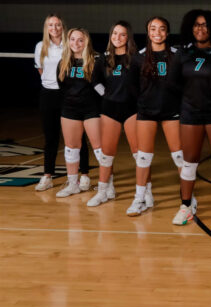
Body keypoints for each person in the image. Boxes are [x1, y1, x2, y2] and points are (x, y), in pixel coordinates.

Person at [169, 10, 211, 225]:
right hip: (191, 112)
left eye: (205, 25)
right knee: (189, 162)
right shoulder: (183, 53)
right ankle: (186, 205)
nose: (200, 29)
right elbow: (173, 84)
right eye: (196, 25)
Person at [126, 16, 182, 216]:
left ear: (167, 32)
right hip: (147, 112)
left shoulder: (177, 55)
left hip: (171, 111)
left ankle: (187, 200)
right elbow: (133, 88)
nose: (157, 32)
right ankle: (139, 198)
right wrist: (145, 102)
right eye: (153, 28)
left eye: (162, 29)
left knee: (180, 157)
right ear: (147, 32)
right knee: (143, 157)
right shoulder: (138, 58)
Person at [34, 15, 90, 192]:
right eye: (50, 25)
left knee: (77, 138)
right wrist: (50, 83)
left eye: (57, 24)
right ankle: (48, 175)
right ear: (46, 27)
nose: (54, 28)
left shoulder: (70, 44)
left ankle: (85, 175)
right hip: (48, 95)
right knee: (50, 138)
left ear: (63, 27)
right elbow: (41, 69)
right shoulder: (40, 46)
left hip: (68, 94)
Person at [87, 21, 138, 206]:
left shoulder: (136, 58)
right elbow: (95, 81)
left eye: (122, 34)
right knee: (106, 154)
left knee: (139, 153)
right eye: (114, 33)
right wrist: (106, 95)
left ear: (128, 37)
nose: (117, 37)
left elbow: (143, 82)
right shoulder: (104, 58)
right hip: (110, 109)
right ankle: (104, 192)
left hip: (132, 109)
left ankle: (144, 193)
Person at [54, 28, 103, 197]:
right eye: (73, 39)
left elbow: (101, 87)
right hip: (70, 110)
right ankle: (73, 183)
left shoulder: (95, 62)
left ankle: (106, 185)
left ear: (86, 42)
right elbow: (62, 87)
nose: (76, 43)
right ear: (68, 42)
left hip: (92, 109)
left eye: (80, 40)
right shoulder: (63, 63)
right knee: (71, 148)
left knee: (100, 149)